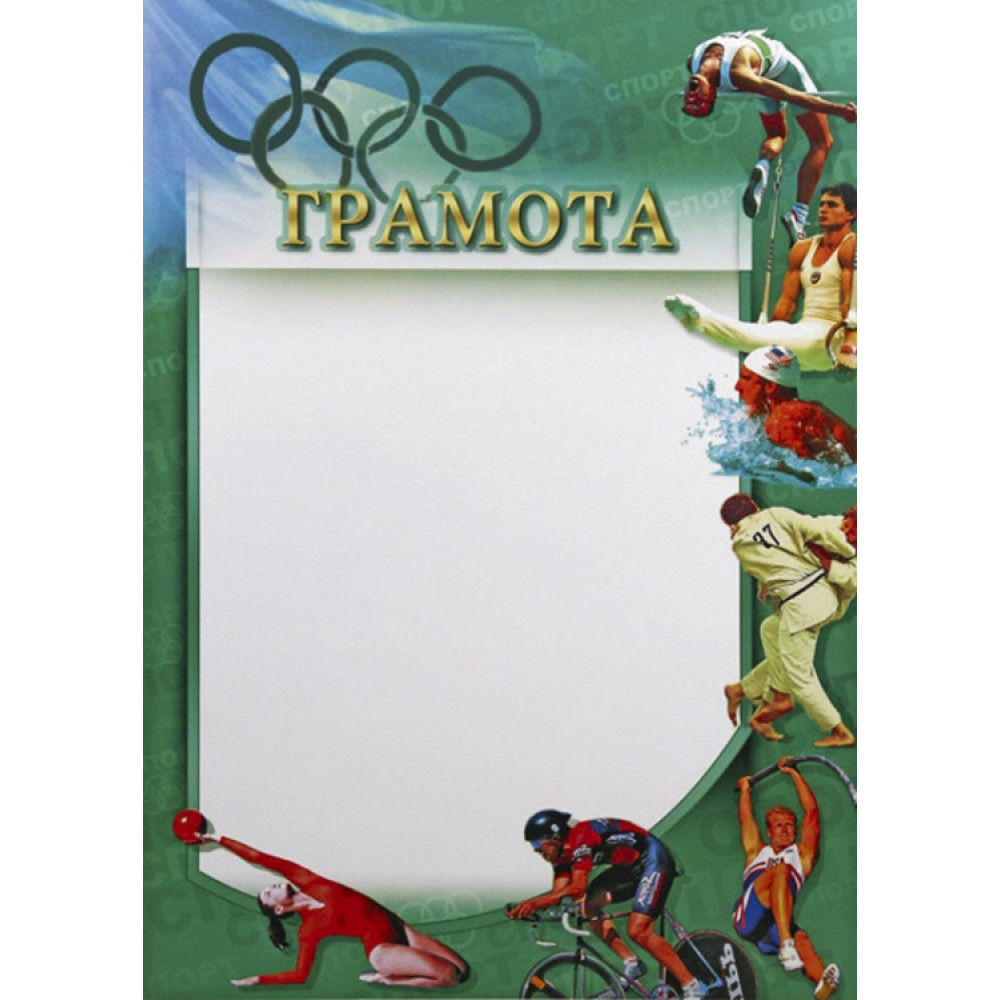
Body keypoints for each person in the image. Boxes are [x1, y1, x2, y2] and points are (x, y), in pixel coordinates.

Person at [187, 830, 469, 988]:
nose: (272, 886)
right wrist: (257, 980)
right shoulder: (310, 929)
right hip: (381, 947)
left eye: (269, 886)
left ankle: (393, 976)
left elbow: (259, 858)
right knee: (450, 976)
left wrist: (218, 839)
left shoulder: (306, 879)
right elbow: (300, 975)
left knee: (463, 971)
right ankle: (390, 980)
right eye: (269, 893)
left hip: (398, 926)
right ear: (279, 909)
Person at [506, 811, 707, 999]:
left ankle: (692, 986)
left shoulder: (580, 839)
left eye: (537, 843)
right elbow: (558, 894)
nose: (535, 849)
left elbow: (577, 889)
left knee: (638, 931)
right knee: (588, 907)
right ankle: (632, 963)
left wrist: (534, 903)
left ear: (555, 837)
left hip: (653, 858)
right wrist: (526, 910)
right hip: (628, 867)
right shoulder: (559, 855)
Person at [682, 30, 857, 244]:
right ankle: (794, 211)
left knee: (798, 138)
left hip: (783, 70)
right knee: (818, 142)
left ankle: (768, 171)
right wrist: (842, 111)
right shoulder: (694, 62)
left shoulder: (738, 74)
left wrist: (840, 110)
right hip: (760, 77)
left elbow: (794, 96)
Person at [664, 184, 857, 371]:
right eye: (822, 204)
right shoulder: (803, 248)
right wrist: (770, 331)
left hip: (832, 340)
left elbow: (853, 302)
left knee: (754, 339)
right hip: (806, 338)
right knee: (759, 347)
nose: (823, 209)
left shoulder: (852, 247)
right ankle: (697, 322)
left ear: (851, 213)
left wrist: (850, 346)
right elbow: (788, 302)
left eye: (832, 205)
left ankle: (700, 320)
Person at [719, 493, 856, 747]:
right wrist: (845, 548)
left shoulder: (740, 544)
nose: (848, 532)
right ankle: (743, 690)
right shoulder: (780, 516)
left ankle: (837, 729)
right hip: (811, 598)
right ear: (756, 507)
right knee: (771, 630)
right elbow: (807, 534)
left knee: (800, 677)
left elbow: (765, 562)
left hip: (810, 603)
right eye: (847, 526)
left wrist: (833, 561)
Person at [733, 758, 841, 999]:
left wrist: (794, 773)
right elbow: (745, 819)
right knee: (780, 870)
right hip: (747, 918)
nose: (784, 829)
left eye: (790, 825)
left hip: (774, 927)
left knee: (803, 941)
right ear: (769, 832)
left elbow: (812, 813)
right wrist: (745, 790)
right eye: (778, 825)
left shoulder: (802, 855)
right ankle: (786, 945)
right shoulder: (756, 851)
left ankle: (821, 985)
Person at [732, 345, 856, 464]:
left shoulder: (784, 419)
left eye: (746, 378)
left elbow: (808, 473)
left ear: (770, 387)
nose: (737, 387)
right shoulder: (800, 410)